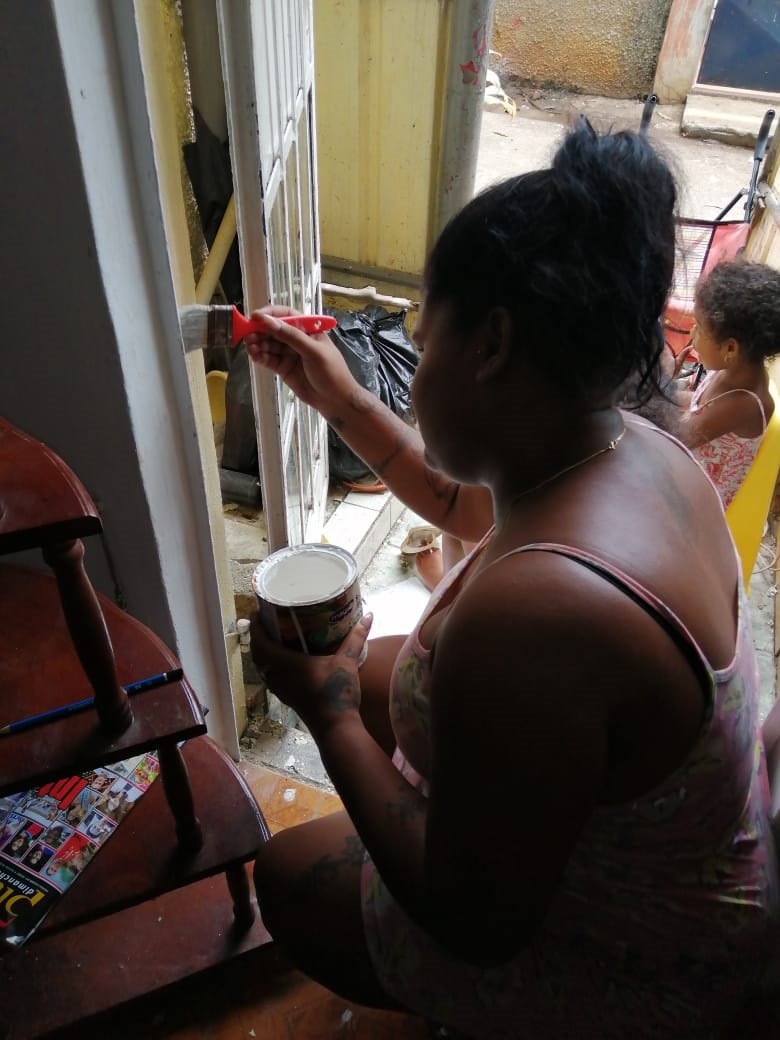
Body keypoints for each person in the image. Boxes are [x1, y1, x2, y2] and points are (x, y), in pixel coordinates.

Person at [244, 118, 778, 1039]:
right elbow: (458, 502)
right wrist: (340, 395)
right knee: (385, 673)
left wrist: (326, 715)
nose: (412, 369)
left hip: (655, 959)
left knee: (290, 877)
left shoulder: (536, 615)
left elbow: (477, 921)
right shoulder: (629, 443)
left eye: (423, 338)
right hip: (700, 857)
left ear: (492, 345)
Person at [667, 259, 780, 508]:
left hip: (697, 507)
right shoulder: (734, 371)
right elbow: (700, 404)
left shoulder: (746, 403)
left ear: (730, 348)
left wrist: (663, 380)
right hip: (687, 474)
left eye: (699, 329)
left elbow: (675, 437)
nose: (692, 334)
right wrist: (668, 390)